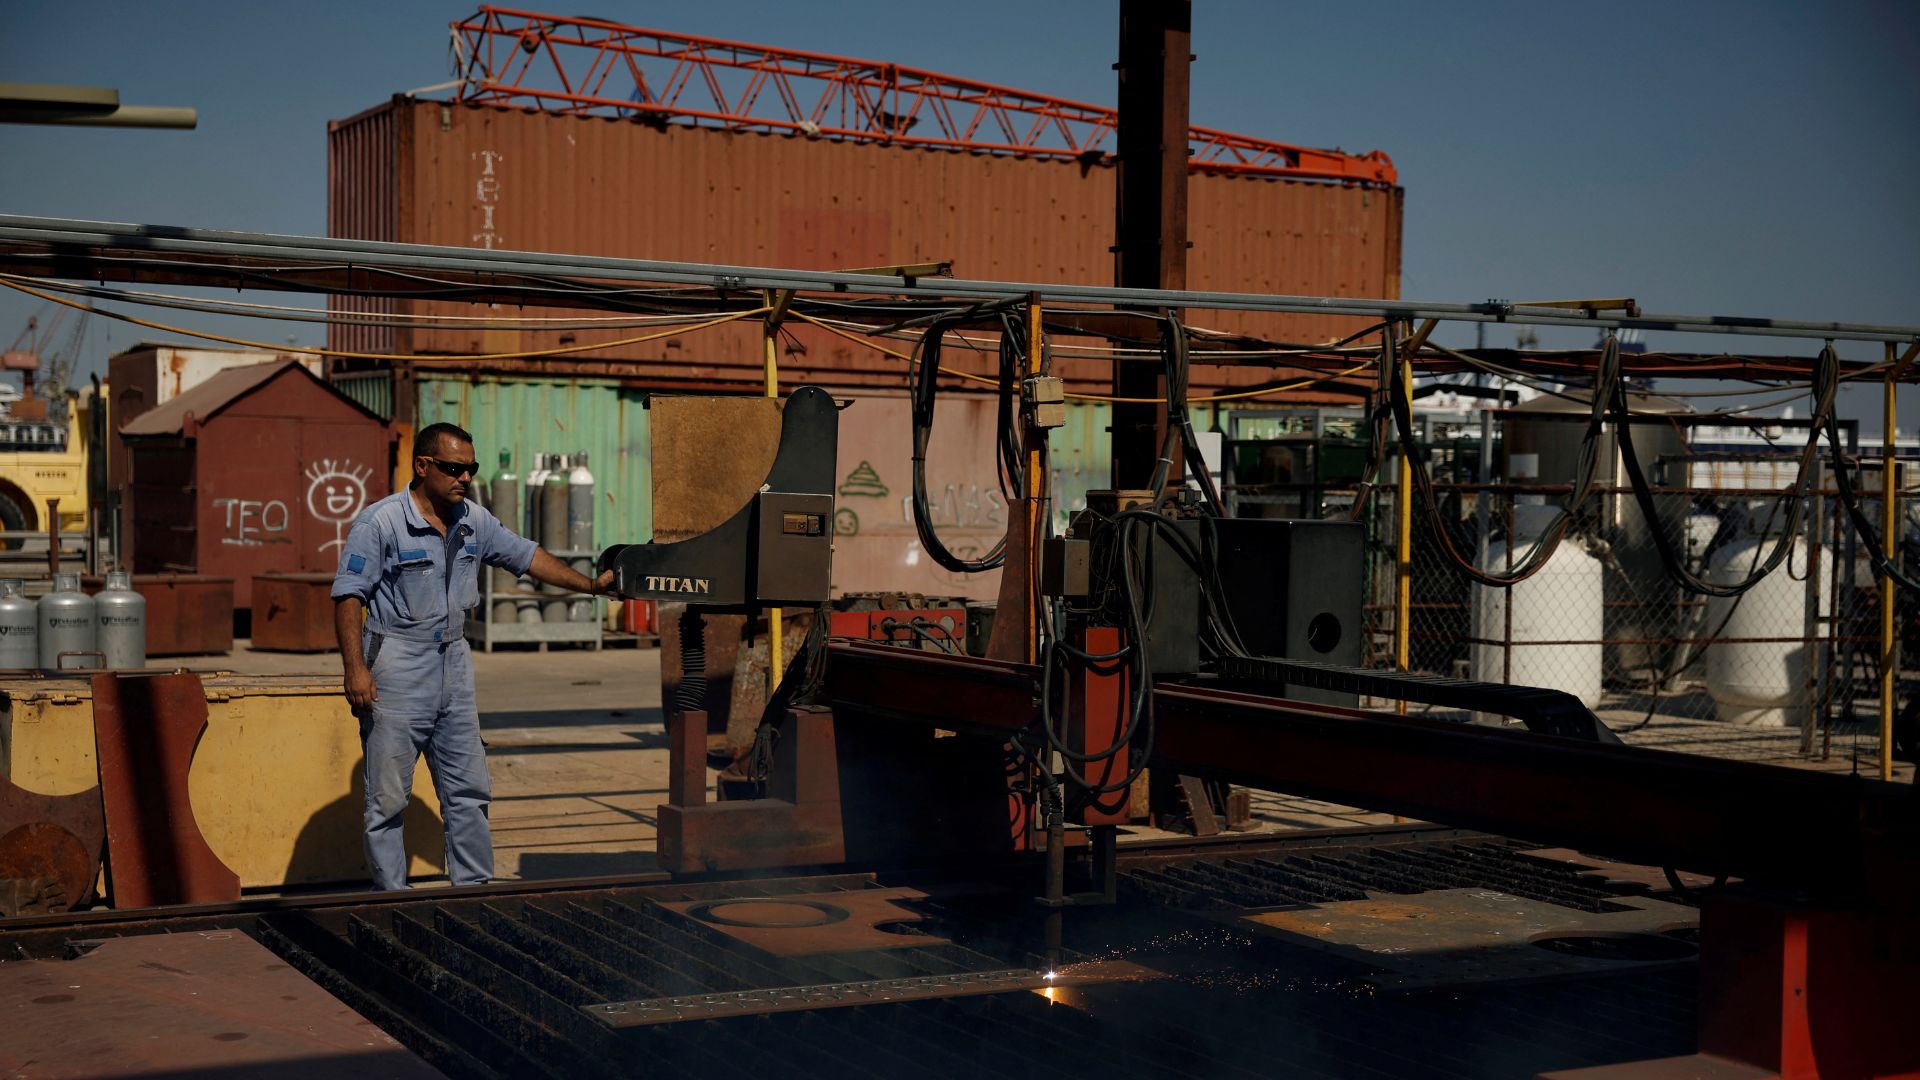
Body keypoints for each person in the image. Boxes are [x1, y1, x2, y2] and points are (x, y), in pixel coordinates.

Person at [331, 422, 612, 889]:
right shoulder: (379, 523)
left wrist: (589, 586)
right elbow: (348, 595)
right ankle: (391, 899)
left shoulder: (472, 520)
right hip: (397, 663)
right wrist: (355, 669)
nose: (464, 478)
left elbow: (526, 556)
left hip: (454, 664)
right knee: (388, 799)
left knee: (468, 791)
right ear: (423, 466)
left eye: (471, 469)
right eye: (454, 468)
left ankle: (473, 894)